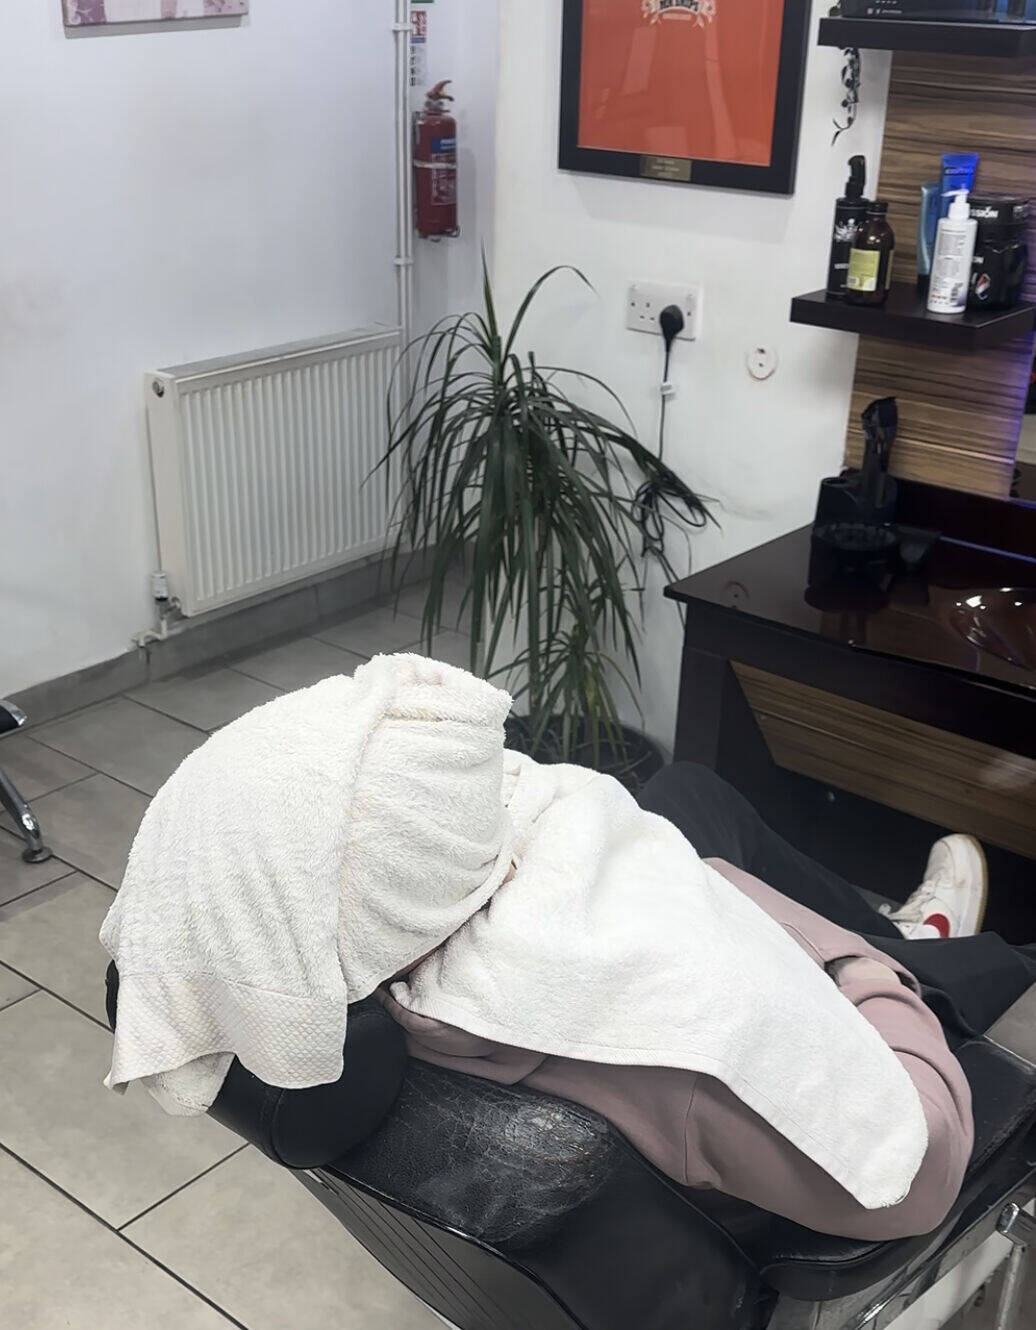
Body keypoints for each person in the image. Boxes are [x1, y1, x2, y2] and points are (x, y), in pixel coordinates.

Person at [381, 763, 1036, 1243]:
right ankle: (930, 965)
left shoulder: (391, 970)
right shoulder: (690, 1045)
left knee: (685, 793)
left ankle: (911, 945)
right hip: (868, 1082)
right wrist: (858, 967)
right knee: (967, 971)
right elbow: (920, 1169)